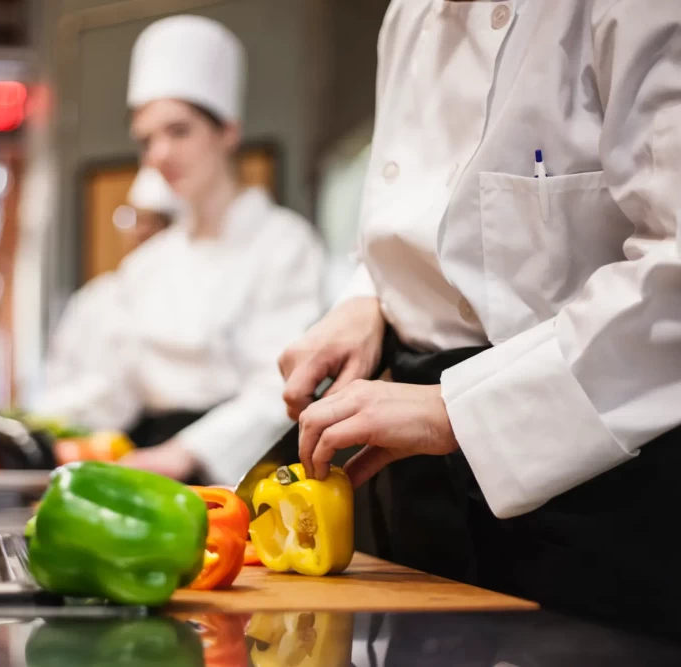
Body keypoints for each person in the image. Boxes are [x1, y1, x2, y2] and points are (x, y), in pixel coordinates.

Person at [279, 0, 681, 640]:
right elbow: (429, 217)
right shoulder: (408, 14)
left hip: (592, 468)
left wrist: (455, 411)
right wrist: (369, 297)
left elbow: (673, 275)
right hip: (410, 459)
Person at [43, 14, 326, 485]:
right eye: (146, 139)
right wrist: (41, 428)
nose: (158, 154)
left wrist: (186, 451)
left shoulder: (284, 244)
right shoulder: (146, 265)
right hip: (147, 460)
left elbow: (281, 389)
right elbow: (115, 389)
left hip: (243, 467)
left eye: (178, 131)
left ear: (228, 132)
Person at [32, 167, 180, 429]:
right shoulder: (94, 297)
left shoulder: (183, 297)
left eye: (156, 222)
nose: (141, 231)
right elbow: (60, 371)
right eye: (135, 219)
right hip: (88, 434)